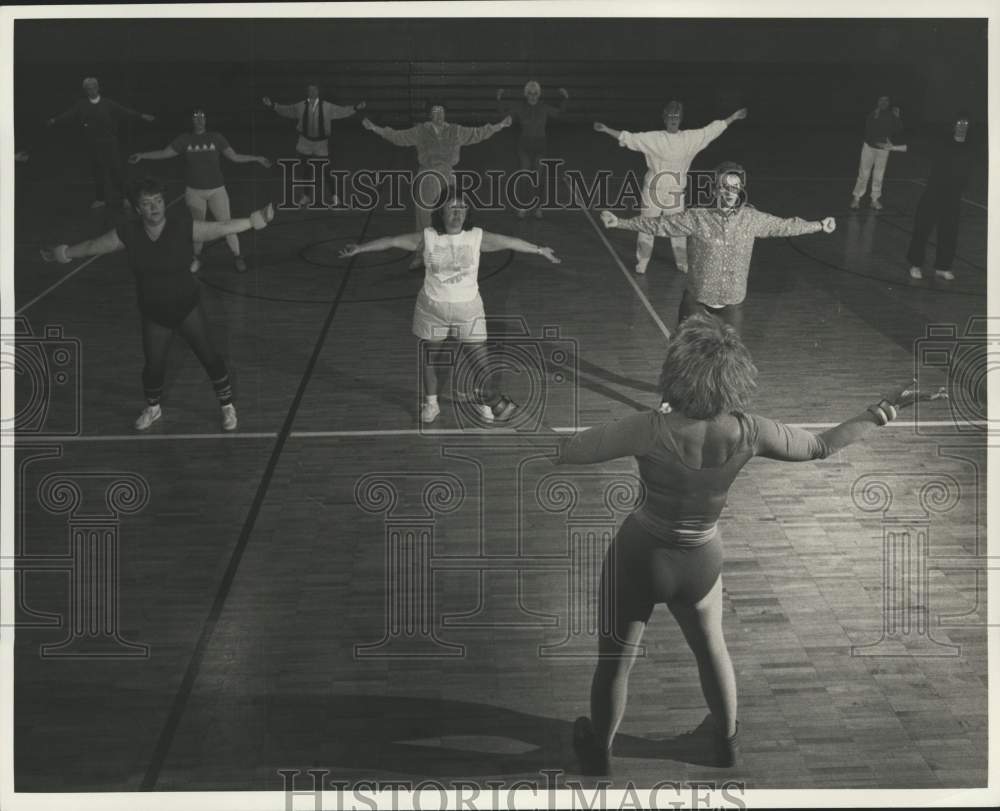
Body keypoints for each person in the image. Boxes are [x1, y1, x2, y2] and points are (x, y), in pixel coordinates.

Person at [556, 314, 947, 776]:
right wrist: (882, 409)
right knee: (712, 650)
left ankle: (599, 752)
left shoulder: (647, 428)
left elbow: (571, 451)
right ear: (734, 378)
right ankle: (724, 746)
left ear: (676, 373)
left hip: (640, 556)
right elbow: (821, 445)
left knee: (616, 661)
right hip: (701, 561)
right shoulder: (750, 430)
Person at [40, 177, 275, 432]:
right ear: (139, 208)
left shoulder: (183, 226)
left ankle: (227, 406)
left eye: (158, 201)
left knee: (209, 356)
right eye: (147, 203)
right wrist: (62, 253)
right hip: (154, 314)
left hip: (187, 309)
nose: (154, 207)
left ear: (164, 204)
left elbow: (222, 227)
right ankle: (153, 408)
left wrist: (253, 221)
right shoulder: (127, 233)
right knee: (153, 366)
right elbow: (91, 246)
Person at [338, 191, 560, 423]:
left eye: (462, 208)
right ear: (441, 212)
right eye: (451, 208)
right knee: (430, 359)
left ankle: (484, 400)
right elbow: (392, 241)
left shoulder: (477, 237)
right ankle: (431, 403)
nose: (457, 213)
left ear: (467, 212)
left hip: (469, 311)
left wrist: (539, 249)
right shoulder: (428, 237)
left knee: (481, 364)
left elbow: (509, 241)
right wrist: (359, 248)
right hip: (432, 310)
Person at [601, 162, 836, 336]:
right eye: (724, 187)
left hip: (732, 303)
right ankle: (669, 400)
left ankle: (725, 403)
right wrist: (621, 222)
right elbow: (659, 224)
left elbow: (784, 226)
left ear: (740, 190)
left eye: (735, 187)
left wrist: (818, 225)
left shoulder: (751, 218)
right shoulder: (698, 217)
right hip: (697, 300)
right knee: (682, 354)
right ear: (715, 190)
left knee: (730, 358)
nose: (730, 192)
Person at [594, 102, 748, 274]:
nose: (673, 120)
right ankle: (642, 262)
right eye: (670, 117)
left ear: (680, 119)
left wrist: (733, 117)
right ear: (665, 119)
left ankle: (682, 262)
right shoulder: (653, 138)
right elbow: (629, 138)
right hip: (654, 189)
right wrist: (606, 129)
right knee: (646, 225)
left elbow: (712, 130)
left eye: (676, 117)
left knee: (678, 227)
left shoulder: (690, 138)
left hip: (675, 191)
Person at [362, 104, 512, 269]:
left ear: (445, 114)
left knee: (451, 214)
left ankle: (452, 253)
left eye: (441, 111)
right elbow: (398, 137)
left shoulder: (455, 130)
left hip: (448, 176)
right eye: (435, 112)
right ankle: (421, 255)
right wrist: (375, 128)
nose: (439, 115)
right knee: (425, 217)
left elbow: (477, 133)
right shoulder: (421, 131)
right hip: (427, 176)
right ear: (430, 115)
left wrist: (499, 126)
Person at [129, 108, 272, 273]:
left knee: (227, 223)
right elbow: (164, 153)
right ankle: (197, 258)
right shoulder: (185, 139)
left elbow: (234, 157)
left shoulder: (216, 138)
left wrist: (258, 159)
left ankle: (237, 256)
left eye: (202, 117)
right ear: (192, 121)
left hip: (217, 191)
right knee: (198, 227)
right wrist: (142, 155)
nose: (199, 120)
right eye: (196, 118)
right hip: (194, 192)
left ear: (206, 120)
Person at [46, 77, 156, 209]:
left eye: (94, 87)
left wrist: (141, 115)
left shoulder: (108, 103)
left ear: (98, 88)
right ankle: (100, 199)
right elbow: (69, 114)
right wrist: (55, 120)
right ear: (85, 90)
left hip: (110, 143)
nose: (92, 90)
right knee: (97, 171)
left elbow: (125, 111)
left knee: (116, 171)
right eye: (88, 88)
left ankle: (125, 198)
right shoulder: (81, 105)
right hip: (93, 145)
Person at [262, 83, 366, 207]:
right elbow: (287, 110)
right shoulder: (300, 106)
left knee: (326, 170)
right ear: (307, 92)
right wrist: (272, 105)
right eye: (310, 90)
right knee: (306, 170)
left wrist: (356, 108)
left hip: (321, 143)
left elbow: (341, 111)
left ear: (318, 92)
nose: (312, 92)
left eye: (314, 90)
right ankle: (306, 196)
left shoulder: (327, 106)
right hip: (304, 142)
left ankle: (335, 196)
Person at [907, 113, 976, 282]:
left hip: (953, 197)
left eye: (965, 123)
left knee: (949, 232)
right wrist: (893, 147)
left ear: (968, 127)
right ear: (954, 126)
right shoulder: (943, 143)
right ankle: (915, 265)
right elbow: (919, 147)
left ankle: (942, 267)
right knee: (922, 229)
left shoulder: (970, 147)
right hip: (934, 193)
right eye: (959, 123)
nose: (962, 126)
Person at [496, 81, 569, 218]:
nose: (532, 96)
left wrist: (565, 99)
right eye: (530, 93)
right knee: (525, 176)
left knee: (538, 177)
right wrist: (499, 100)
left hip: (540, 146)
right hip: (524, 146)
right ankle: (523, 206)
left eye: (535, 93)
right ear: (526, 94)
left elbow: (559, 114)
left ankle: (538, 207)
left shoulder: (544, 107)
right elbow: (505, 117)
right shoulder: (520, 107)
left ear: (539, 94)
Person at [850, 95, 905, 211]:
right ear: (877, 102)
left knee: (879, 175)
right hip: (869, 147)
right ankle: (856, 198)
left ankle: (874, 200)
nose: (883, 102)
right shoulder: (872, 114)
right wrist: (875, 143)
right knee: (864, 173)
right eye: (881, 100)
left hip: (883, 150)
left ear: (888, 103)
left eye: (886, 100)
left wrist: (898, 117)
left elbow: (898, 130)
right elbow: (868, 130)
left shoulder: (892, 115)